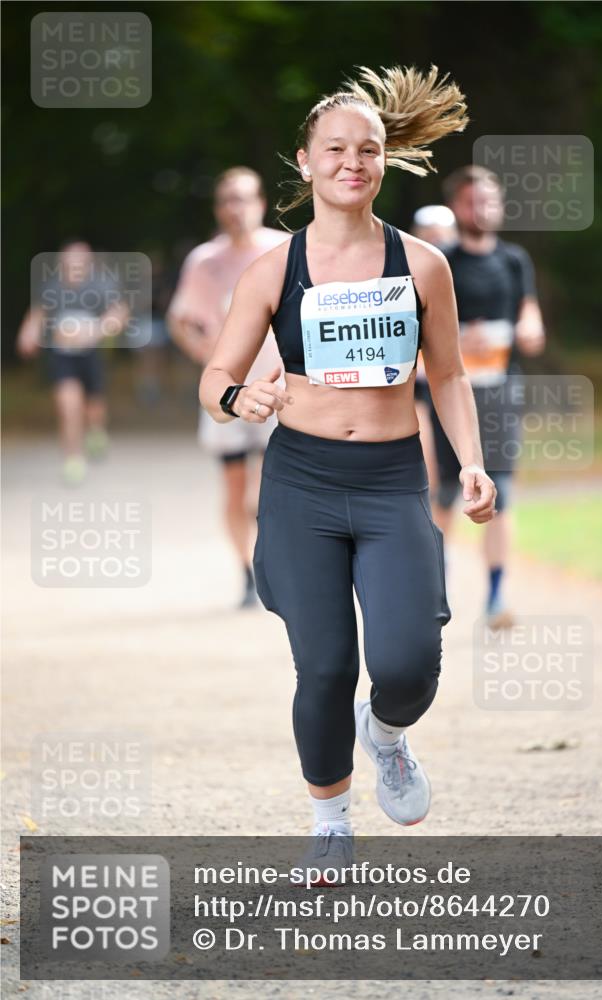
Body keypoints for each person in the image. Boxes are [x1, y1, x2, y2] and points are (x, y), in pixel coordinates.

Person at [200, 66, 496, 880]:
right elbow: (215, 379)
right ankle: (329, 823)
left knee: (407, 665)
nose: (350, 163)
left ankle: (387, 732)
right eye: (333, 149)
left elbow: (448, 375)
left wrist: (471, 462)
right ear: (305, 162)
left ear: (383, 161)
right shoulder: (273, 270)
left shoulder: (421, 265)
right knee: (325, 666)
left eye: (366, 150)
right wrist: (239, 396)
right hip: (301, 482)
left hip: (391, 478)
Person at [428, 166, 546, 628]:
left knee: (501, 493)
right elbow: (419, 330)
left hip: (500, 392)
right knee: (444, 493)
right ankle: (436, 589)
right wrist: (458, 340)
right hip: (448, 394)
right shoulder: (440, 261)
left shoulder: (515, 260)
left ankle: (496, 597)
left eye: (490, 200)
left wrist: (530, 329)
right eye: (473, 201)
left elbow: (529, 313)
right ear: (457, 207)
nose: (483, 209)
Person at [168, 168, 288, 608]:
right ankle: (247, 573)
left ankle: (276, 565)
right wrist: (205, 353)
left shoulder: (285, 249)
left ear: (260, 203)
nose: (236, 209)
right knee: (235, 488)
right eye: (227, 200)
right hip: (229, 392)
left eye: (244, 199)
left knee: (269, 489)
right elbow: (180, 319)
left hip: (278, 387)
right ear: (219, 209)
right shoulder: (205, 260)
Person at [16, 240, 129, 485]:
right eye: (70, 261)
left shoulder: (100, 285)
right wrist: (28, 333)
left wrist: (97, 330)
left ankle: (96, 432)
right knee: (69, 405)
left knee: (94, 407)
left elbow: (119, 312)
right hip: (62, 356)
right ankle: (73, 459)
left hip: (91, 354)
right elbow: (38, 313)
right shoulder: (53, 286)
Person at [410, 205, 459, 500]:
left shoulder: (464, 275)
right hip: (415, 380)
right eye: (429, 236)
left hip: (455, 375)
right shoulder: (405, 272)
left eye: (442, 236)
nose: (436, 242)